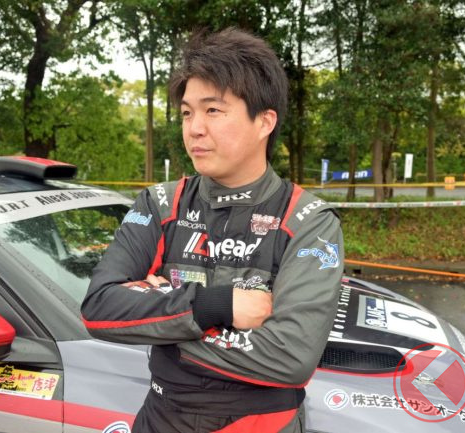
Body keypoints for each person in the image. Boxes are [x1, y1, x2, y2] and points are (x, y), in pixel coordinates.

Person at [81, 27, 344, 433]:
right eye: (187, 113)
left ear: (265, 121)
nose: (194, 128)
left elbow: (291, 357)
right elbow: (99, 308)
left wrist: (164, 325)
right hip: (160, 418)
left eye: (213, 110)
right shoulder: (160, 203)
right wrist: (215, 306)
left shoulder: (309, 220)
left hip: (260, 424)